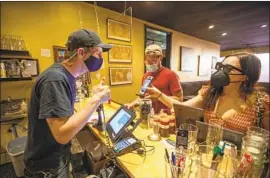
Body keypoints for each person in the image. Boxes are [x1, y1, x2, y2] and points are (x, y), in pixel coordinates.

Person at [24, 29, 113, 177]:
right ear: (81, 53)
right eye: (98, 52)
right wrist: (96, 100)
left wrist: (90, 105)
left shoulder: (67, 76)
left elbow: (63, 116)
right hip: (46, 166)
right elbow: (62, 134)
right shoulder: (56, 79)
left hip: (55, 157)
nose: (101, 57)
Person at [147, 52, 269, 133]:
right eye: (220, 66)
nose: (221, 71)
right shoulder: (209, 93)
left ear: (245, 77)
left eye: (228, 69)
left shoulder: (261, 103)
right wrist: (158, 94)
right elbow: (181, 107)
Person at [125, 44, 183, 114]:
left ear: (160, 58)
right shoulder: (146, 76)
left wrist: (158, 97)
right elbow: (141, 96)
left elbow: (180, 100)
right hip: (149, 115)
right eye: (148, 59)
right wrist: (131, 104)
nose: (151, 62)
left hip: (166, 116)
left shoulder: (171, 75)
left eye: (154, 59)